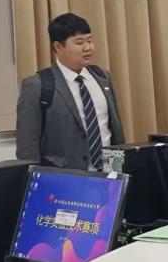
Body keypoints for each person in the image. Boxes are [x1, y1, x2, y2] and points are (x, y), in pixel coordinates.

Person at [15, 12, 125, 170]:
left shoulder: (102, 77)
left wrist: (117, 172)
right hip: (65, 177)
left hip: (107, 174)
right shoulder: (38, 85)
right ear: (58, 47)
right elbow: (27, 148)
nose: (88, 48)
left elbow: (113, 130)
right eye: (79, 42)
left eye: (90, 40)